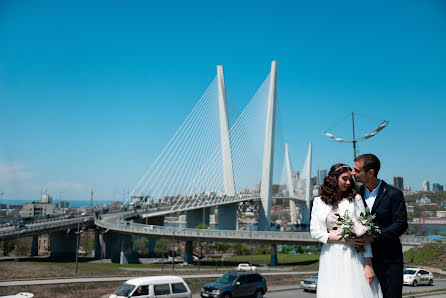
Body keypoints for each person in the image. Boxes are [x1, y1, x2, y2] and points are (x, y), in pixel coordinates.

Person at [310, 163, 382, 298]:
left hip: (353, 255)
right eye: (344, 178)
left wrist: (368, 264)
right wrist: (343, 239)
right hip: (330, 256)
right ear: (334, 178)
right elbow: (315, 232)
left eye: (350, 179)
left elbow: (365, 231)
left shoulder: (356, 199)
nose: (348, 182)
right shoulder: (318, 202)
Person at [353, 154, 408, 298]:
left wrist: (374, 237)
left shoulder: (393, 194)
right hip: (361, 259)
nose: (353, 173)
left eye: (357, 171)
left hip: (389, 260)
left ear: (370, 172)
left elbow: (400, 224)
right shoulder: (355, 194)